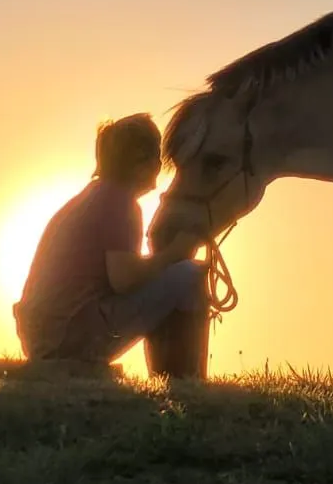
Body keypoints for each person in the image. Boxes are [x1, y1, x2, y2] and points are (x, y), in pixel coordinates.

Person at [14, 113, 208, 372]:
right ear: (143, 163)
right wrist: (174, 253)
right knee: (189, 274)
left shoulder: (86, 199)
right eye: (156, 157)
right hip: (72, 337)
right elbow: (123, 279)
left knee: (172, 276)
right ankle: (185, 379)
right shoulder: (120, 203)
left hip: (44, 337)